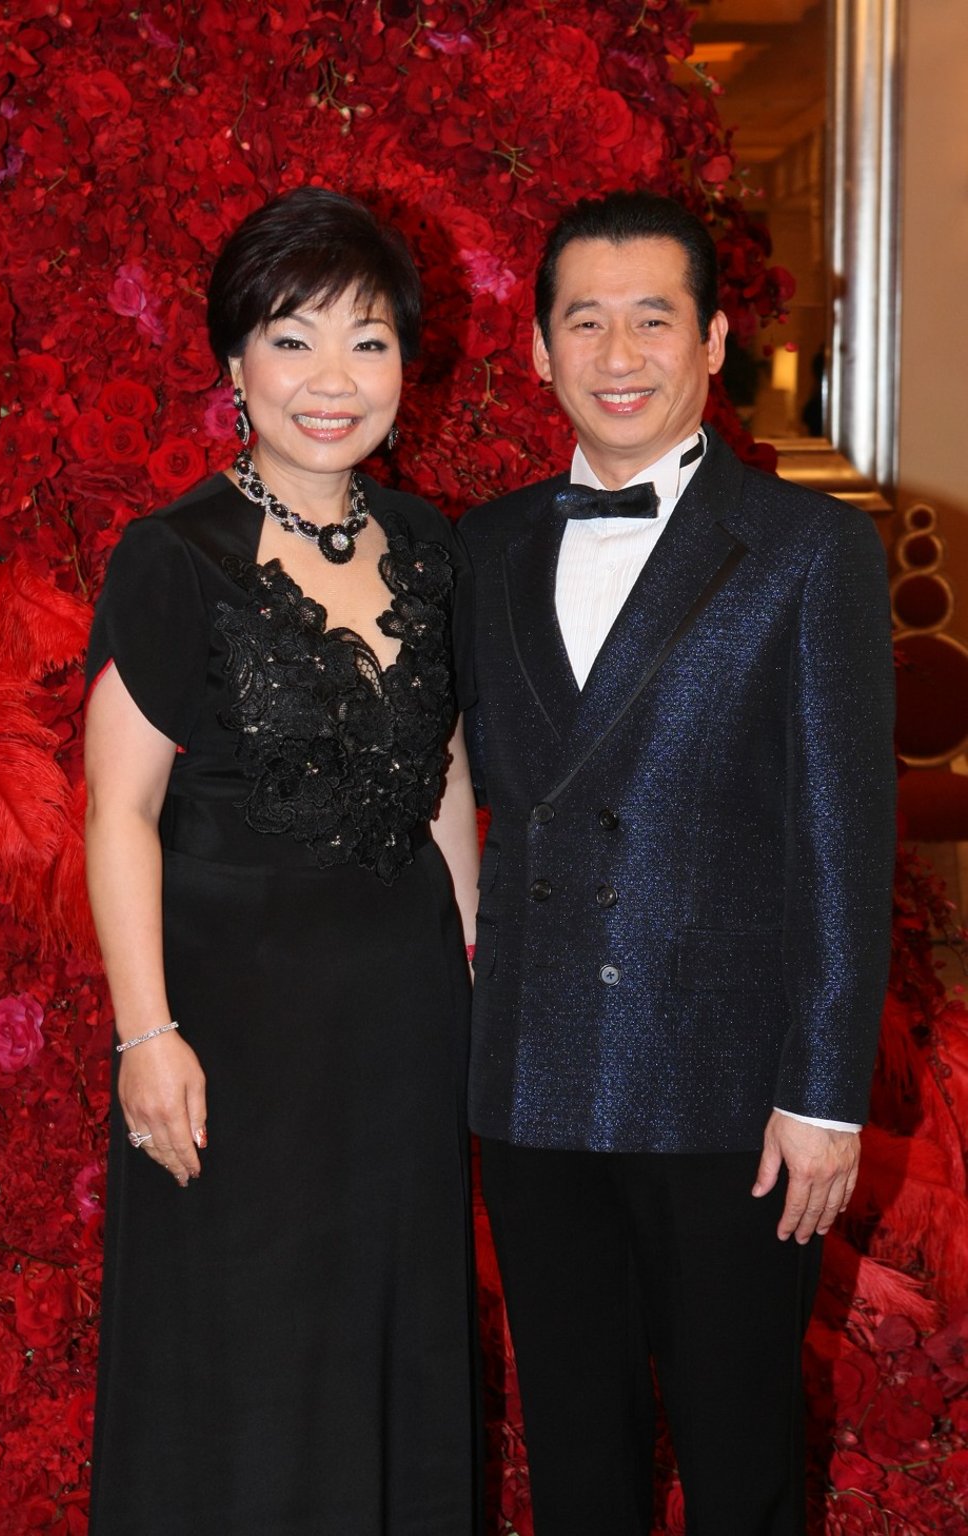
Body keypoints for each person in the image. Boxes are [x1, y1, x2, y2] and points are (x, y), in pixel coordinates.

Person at [458, 190, 895, 1536]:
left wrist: (825, 1093)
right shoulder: (480, 548)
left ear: (712, 340)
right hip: (533, 1081)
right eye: (585, 321)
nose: (620, 353)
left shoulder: (808, 550)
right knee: (577, 1456)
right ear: (538, 350)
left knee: (737, 1454)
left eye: (655, 318)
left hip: (729, 1092)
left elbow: (844, 836)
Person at [84, 187, 480, 1535]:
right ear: (233, 361)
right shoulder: (175, 557)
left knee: (393, 1335)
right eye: (294, 338)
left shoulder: (431, 548)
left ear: (404, 370)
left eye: (368, 343)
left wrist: (471, 971)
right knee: (236, 1358)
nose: (332, 381)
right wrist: (147, 1036)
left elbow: (444, 773)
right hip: (232, 1030)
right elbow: (119, 814)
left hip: (401, 1022)